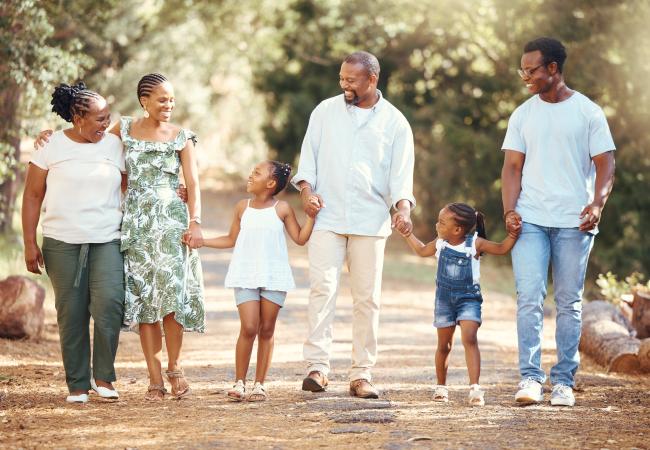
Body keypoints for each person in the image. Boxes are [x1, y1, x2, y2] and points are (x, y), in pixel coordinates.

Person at [292, 51, 415, 399]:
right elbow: (308, 160)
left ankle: (362, 374)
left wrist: (403, 210)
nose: (344, 84)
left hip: (370, 220)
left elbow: (401, 177)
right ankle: (317, 367)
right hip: (327, 217)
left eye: (351, 80)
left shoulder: (395, 122)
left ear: (372, 79)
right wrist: (306, 191)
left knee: (366, 299)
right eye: (342, 78)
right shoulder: (325, 111)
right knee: (322, 289)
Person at [501, 37, 616, 407]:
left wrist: (597, 204)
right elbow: (511, 167)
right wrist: (509, 210)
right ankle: (531, 378)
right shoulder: (523, 114)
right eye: (523, 69)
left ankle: (564, 380)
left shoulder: (588, 113)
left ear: (553, 68)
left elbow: (606, 165)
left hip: (574, 223)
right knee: (529, 299)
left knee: (569, 303)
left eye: (532, 70)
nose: (526, 76)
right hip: (531, 220)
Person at [22, 82, 125, 403]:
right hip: (61, 241)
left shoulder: (114, 145)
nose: (105, 124)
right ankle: (78, 385)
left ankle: (104, 378)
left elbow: (129, 184)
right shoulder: (49, 146)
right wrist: (29, 242)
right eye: (99, 119)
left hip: (107, 238)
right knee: (71, 312)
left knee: (110, 304)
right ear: (77, 119)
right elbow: (33, 195)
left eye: (108, 117)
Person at [112, 73, 205, 401]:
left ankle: (175, 367)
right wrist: (49, 138)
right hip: (137, 224)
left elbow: (192, 183)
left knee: (170, 298)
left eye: (172, 100)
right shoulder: (122, 129)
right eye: (162, 99)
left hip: (171, 224)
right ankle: (154, 379)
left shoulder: (182, 136)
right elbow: (92, 148)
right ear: (144, 101)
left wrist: (194, 221)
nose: (169, 105)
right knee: (143, 299)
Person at [196, 161, 315, 401]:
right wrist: (202, 241)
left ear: (270, 184)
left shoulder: (282, 209)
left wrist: (311, 217)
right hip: (245, 274)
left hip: (274, 276)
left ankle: (259, 385)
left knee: (267, 330)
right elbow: (231, 239)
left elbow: (300, 238)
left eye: (257, 173)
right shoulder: (242, 207)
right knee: (249, 327)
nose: (251, 174)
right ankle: (239, 382)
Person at [399, 203, 520, 406]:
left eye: (442, 222)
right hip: (444, 300)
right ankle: (441, 386)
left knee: (469, 338)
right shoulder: (440, 243)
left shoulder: (475, 243)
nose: (437, 224)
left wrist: (514, 235)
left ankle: (474, 387)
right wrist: (407, 234)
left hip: (468, 299)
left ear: (457, 229)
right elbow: (421, 250)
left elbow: (501, 248)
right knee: (444, 346)